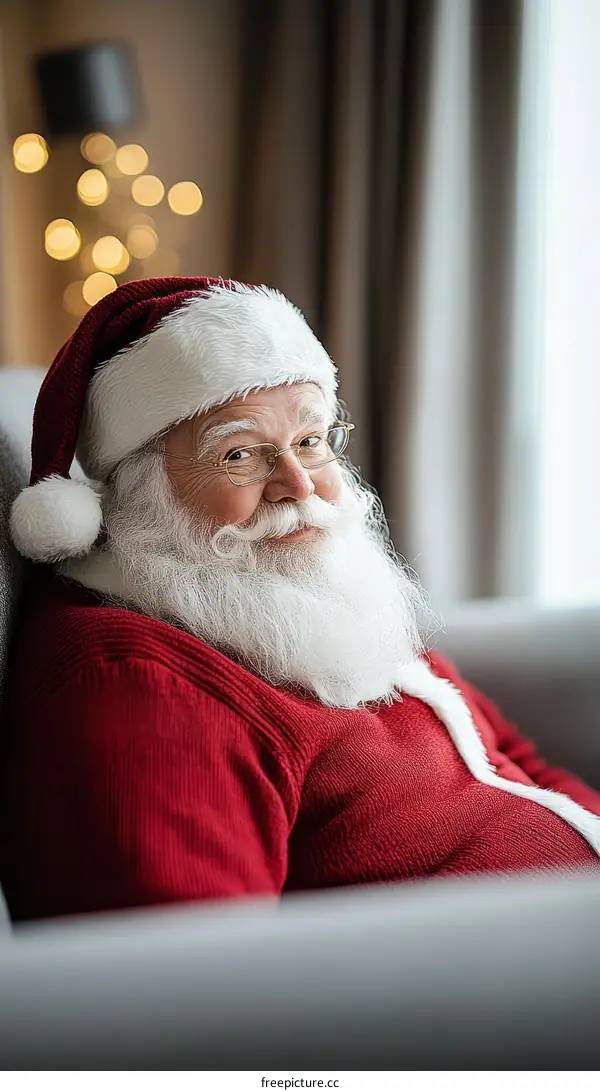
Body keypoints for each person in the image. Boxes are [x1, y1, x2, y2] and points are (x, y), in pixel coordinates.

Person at [1, 275, 599, 923]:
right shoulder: (138, 684)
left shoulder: (298, 587)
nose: (297, 484)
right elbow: (191, 983)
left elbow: (515, 760)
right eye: (239, 454)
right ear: (141, 488)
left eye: (310, 441)